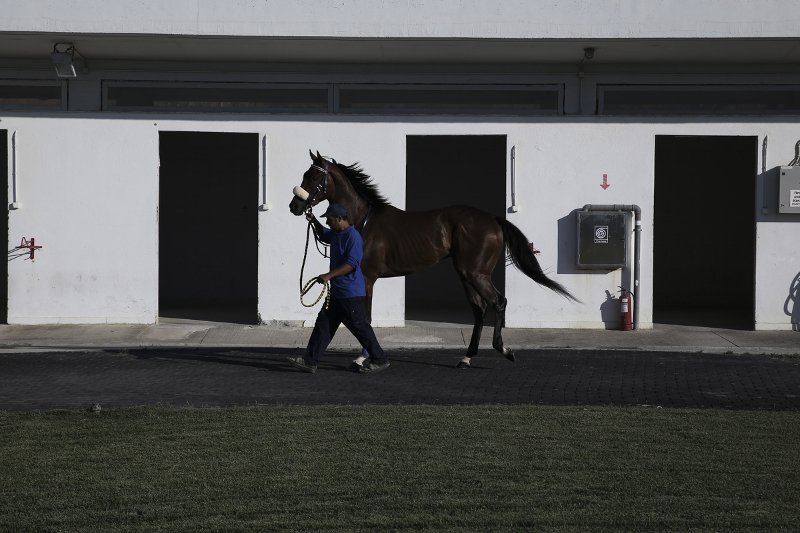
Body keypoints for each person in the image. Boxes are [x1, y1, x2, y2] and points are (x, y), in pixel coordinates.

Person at [287, 203, 390, 374]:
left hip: (350, 294)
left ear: (341, 219)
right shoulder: (336, 234)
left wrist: (329, 275)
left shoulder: (353, 237)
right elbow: (323, 234)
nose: (327, 222)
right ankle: (310, 361)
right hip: (337, 293)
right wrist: (313, 221)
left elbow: (351, 264)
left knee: (360, 327)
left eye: (329, 219)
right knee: (324, 325)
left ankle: (380, 359)